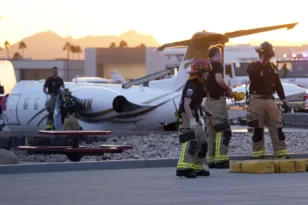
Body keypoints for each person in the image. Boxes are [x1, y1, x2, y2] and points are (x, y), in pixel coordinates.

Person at [246, 41, 290, 159]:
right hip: (256, 99)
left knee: (277, 127)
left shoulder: (273, 68)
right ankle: (258, 155)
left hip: (271, 100)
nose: (267, 59)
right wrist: (261, 62)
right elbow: (251, 73)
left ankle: (281, 153)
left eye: (268, 56)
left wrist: (284, 100)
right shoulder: (253, 66)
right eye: (265, 56)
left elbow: (278, 85)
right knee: (258, 129)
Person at [175, 59, 212, 178]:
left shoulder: (199, 84)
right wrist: (191, 121)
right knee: (191, 141)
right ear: (200, 72)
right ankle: (183, 168)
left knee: (203, 141)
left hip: (193, 115)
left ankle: (197, 167)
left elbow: (195, 102)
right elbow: (186, 104)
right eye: (206, 71)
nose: (208, 73)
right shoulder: (191, 85)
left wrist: (205, 110)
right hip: (187, 116)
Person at [204, 45, 233, 169]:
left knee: (211, 132)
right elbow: (219, 80)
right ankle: (221, 160)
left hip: (207, 102)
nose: (221, 56)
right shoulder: (216, 65)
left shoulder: (205, 66)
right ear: (216, 55)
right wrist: (228, 89)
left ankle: (211, 159)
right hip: (217, 102)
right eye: (220, 54)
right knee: (223, 130)